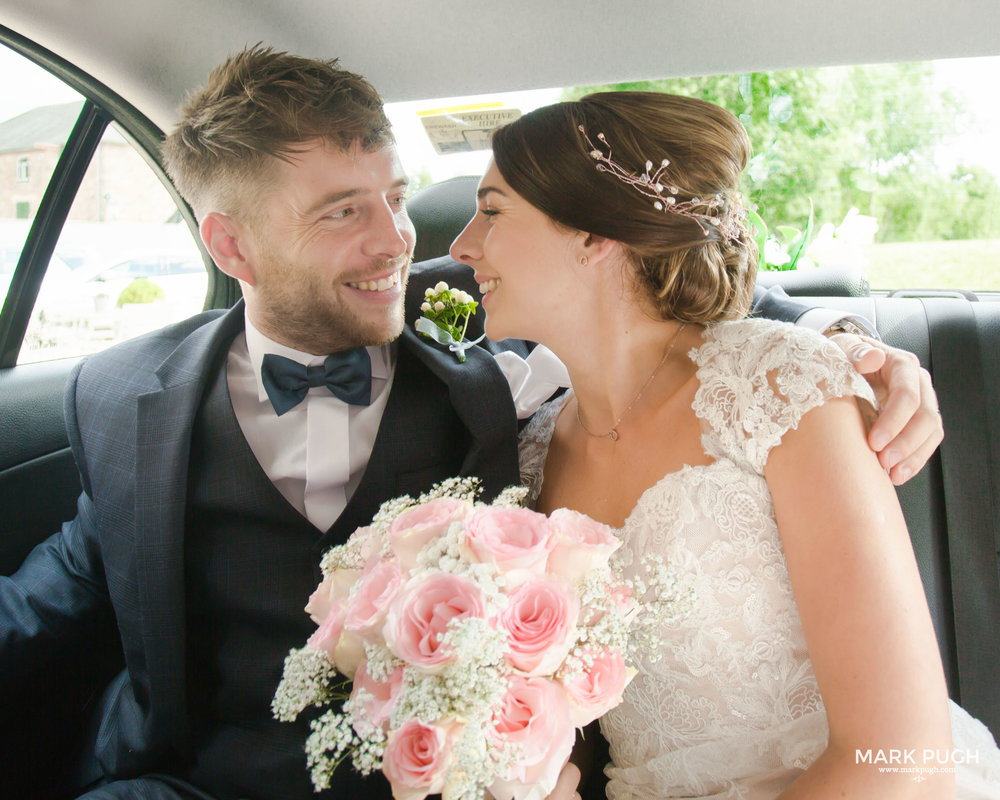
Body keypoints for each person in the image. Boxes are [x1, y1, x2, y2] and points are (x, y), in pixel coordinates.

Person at [0, 47, 941, 800]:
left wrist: (844, 344)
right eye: (341, 213)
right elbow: (62, 591)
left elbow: (668, 285)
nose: (408, 245)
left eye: (399, 200)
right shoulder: (119, 396)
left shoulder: (491, 395)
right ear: (230, 245)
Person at [449, 92, 1000, 799]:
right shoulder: (527, 462)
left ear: (592, 234)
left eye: (491, 211)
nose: (461, 245)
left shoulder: (778, 392)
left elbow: (900, 760)